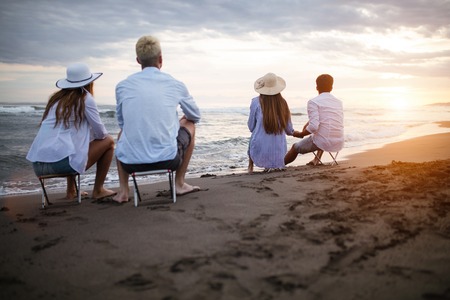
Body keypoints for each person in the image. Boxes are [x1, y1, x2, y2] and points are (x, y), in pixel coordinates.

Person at [113, 35, 201, 203]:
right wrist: (180, 121)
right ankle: (179, 183)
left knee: (121, 134)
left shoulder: (122, 86)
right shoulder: (174, 84)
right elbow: (195, 116)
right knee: (190, 124)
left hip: (130, 163)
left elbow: (122, 123)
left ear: (138, 60)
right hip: (168, 159)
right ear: (161, 58)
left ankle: (124, 191)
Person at [26, 63, 116, 200]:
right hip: (60, 166)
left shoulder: (56, 99)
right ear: (89, 83)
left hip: (38, 166)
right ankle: (98, 190)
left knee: (71, 146)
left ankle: (71, 191)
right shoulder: (85, 99)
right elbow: (101, 133)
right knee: (109, 141)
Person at [285, 74, 344, 166]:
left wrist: (301, 134)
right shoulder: (338, 102)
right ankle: (316, 159)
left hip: (324, 141)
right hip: (338, 141)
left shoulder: (313, 102)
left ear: (317, 87)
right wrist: (307, 125)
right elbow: (326, 119)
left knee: (295, 147)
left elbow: (313, 127)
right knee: (324, 130)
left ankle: (279, 165)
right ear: (331, 87)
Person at [247, 72, 298, 173]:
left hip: (259, 149)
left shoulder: (255, 102)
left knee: (254, 136)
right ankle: (275, 162)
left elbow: (251, 127)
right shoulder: (283, 103)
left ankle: (250, 168)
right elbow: (288, 130)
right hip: (279, 153)